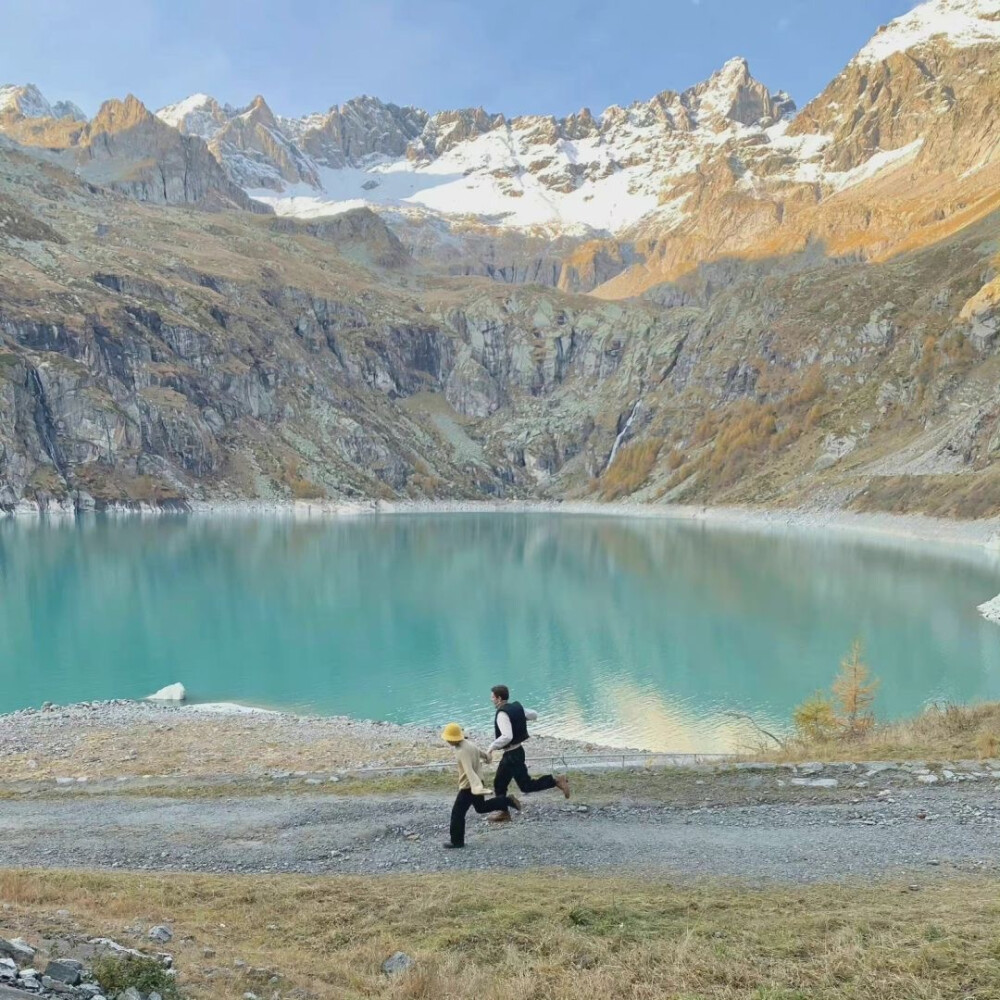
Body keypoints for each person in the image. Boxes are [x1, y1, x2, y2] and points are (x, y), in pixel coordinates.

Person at [487, 685, 569, 823]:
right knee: (523, 785)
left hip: (511, 754)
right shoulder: (516, 708)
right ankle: (555, 781)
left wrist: (491, 747)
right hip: (519, 751)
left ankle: (504, 811)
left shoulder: (502, 714)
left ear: (499, 698)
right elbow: (534, 715)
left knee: (501, 784)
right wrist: (519, 719)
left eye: (493, 697)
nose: (491, 700)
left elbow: (507, 736)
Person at [440, 722, 521, 849]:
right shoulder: (469, 744)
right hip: (478, 782)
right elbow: (483, 754)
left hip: (469, 785)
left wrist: (476, 787)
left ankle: (457, 842)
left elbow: (469, 770)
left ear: (452, 739)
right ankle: (506, 800)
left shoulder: (461, 750)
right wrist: (488, 757)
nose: (447, 741)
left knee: (457, 813)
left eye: (448, 739)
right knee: (481, 807)